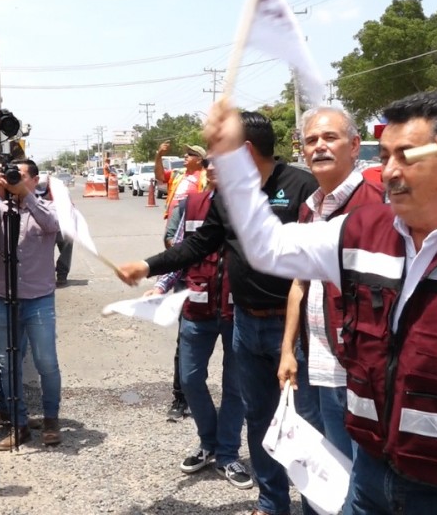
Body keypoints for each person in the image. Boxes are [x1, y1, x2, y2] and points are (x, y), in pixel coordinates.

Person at [205, 91, 437, 515]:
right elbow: (266, 247)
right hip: (372, 466)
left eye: (408, 156)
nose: (391, 171)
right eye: (385, 156)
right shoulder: (360, 231)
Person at [118, 112, 323, 515]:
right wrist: (148, 265)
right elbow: (199, 244)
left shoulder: (302, 187)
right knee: (260, 420)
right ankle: (271, 504)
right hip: (245, 324)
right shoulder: (230, 194)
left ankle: (316, 507)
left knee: (307, 425)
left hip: (296, 331)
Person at [277, 107, 384, 475]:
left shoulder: (378, 204)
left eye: (330, 138)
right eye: (311, 140)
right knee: (335, 471)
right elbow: (299, 284)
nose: (319, 147)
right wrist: (288, 350)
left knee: (367, 476)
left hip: (362, 370)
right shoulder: (311, 210)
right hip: (320, 364)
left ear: (355, 146)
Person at [147, 160, 252, 488]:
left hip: (238, 314)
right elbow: (180, 253)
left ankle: (227, 453)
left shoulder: (254, 209)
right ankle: (208, 442)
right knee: (190, 379)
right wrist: (161, 285)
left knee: (236, 387)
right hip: (197, 308)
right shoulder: (190, 205)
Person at [0, 157, 63, 449]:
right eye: (11, 174)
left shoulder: (47, 207)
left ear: (35, 181)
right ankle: (19, 424)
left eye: (20, 175)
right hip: (4, 298)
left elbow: (52, 226)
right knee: (8, 364)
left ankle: (51, 420)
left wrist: (26, 196)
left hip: (39, 300)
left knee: (46, 363)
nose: (14, 179)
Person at [155, 142, 208, 421]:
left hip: (221, 288)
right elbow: (172, 238)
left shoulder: (232, 206)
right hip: (188, 280)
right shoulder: (187, 203)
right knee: (186, 341)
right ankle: (180, 397)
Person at [154, 142, 208, 226]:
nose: (185, 156)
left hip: (192, 224)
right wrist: (159, 156)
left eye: (190, 154)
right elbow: (160, 176)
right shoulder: (178, 173)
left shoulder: (206, 176)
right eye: (186, 153)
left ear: (199, 160)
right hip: (173, 223)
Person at [35, 173, 74, 287]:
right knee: (45, 253)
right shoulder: (33, 190)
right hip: (45, 226)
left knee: (66, 249)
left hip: (63, 223)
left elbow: (69, 208)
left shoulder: (61, 190)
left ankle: (62, 274)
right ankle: (47, 275)